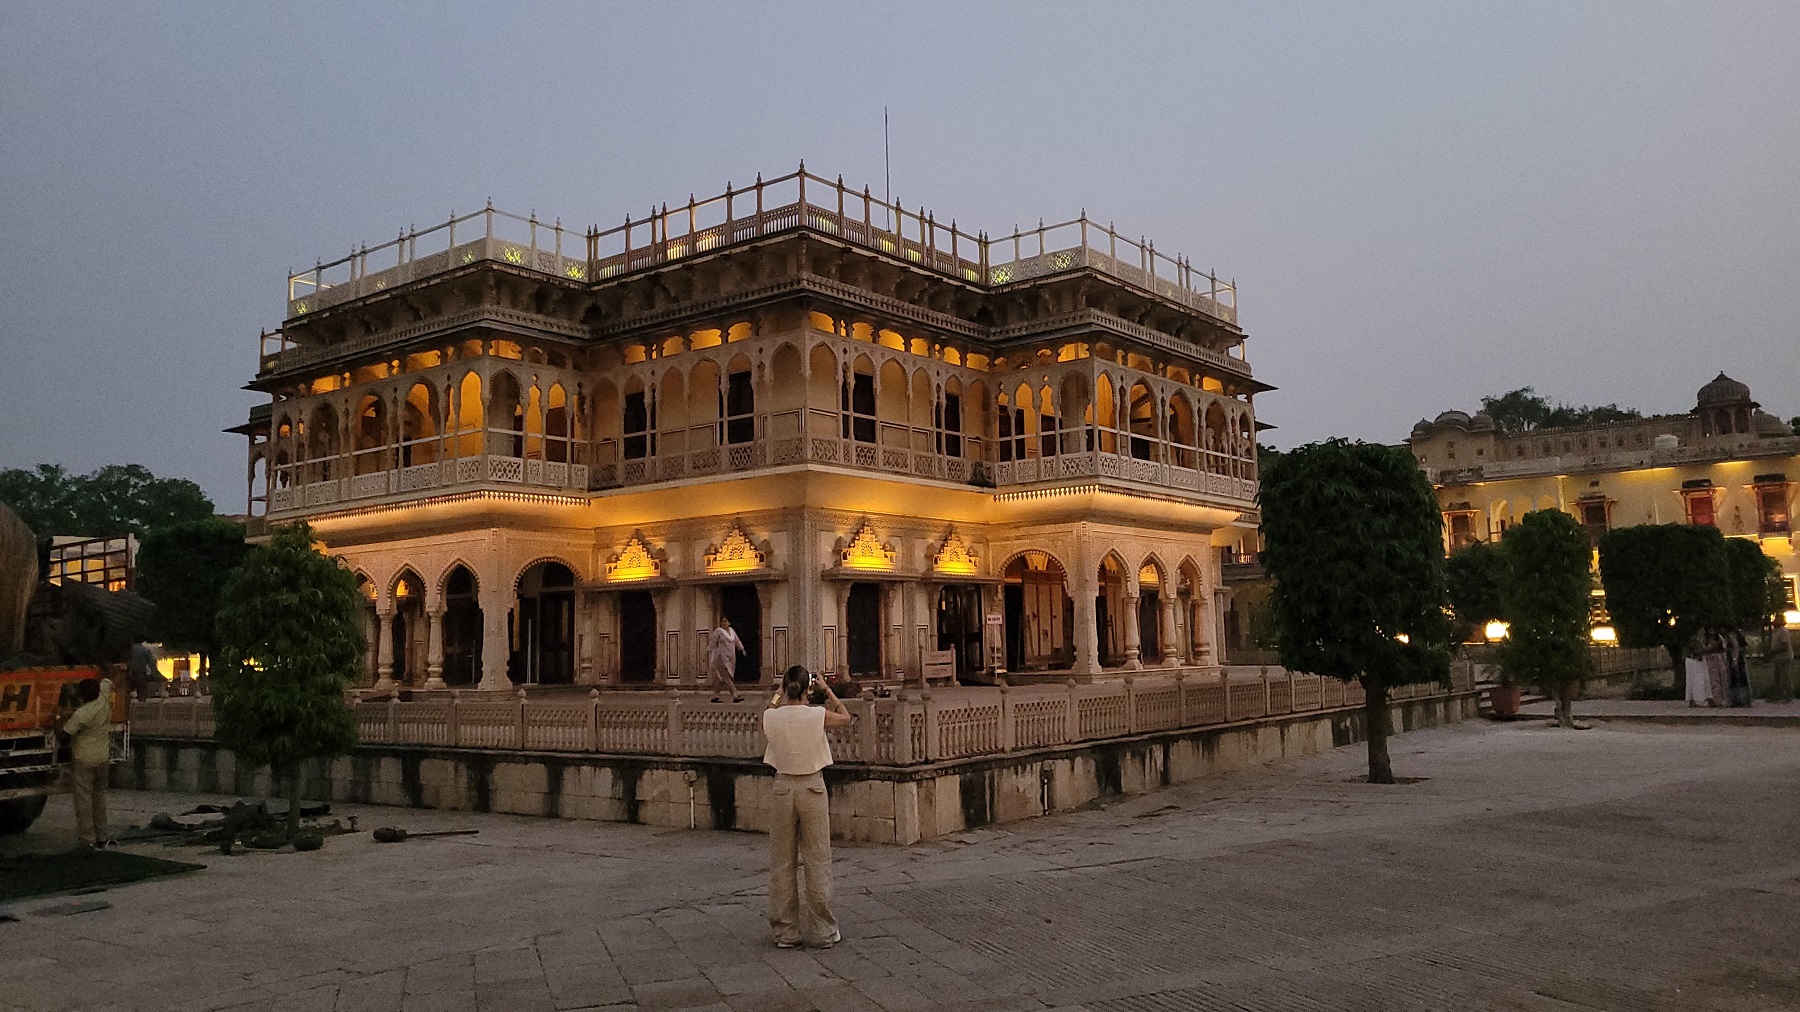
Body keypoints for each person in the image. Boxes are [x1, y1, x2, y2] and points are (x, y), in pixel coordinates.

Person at [762, 664, 850, 949]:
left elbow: (768, 712)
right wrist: (826, 689)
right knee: (817, 859)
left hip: (783, 787)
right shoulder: (816, 715)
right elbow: (845, 718)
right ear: (807, 689)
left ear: (785, 687)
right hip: (812, 787)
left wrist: (777, 695)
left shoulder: (771, 717)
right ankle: (823, 930)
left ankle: (786, 931)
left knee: (782, 861)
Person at [62, 676, 115, 848]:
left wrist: (58, 718)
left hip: (84, 759)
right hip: (103, 758)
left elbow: (64, 734)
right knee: (99, 796)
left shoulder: (82, 714)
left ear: (81, 697)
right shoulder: (104, 699)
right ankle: (102, 836)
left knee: (83, 799)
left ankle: (88, 839)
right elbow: (107, 679)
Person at [707, 615, 746, 703]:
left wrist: (742, 649)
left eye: (725, 621)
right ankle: (735, 695)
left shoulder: (732, 632)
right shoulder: (718, 632)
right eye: (722, 621)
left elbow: (737, 641)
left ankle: (715, 696)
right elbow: (713, 642)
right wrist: (709, 651)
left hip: (731, 657)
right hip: (721, 657)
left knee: (723, 679)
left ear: (729, 623)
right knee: (727, 677)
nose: (724, 623)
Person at [127, 634, 159, 701]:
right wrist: (154, 672)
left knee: (126, 694)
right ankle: (141, 708)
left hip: (129, 674)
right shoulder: (145, 650)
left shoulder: (129, 650)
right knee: (142, 694)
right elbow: (151, 663)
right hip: (141, 674)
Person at [1703, 631, 1728, 708]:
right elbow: (1704, 649)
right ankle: (1716, 700)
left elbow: (1724, 648)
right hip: (1710, 659)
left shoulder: (1719, 637)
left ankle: (1725, 699)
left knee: (1723, 679)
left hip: (1719, 658)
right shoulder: (1705, 639)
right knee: (1714, 680)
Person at [1683, 634, 1710, 708]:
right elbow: (1699, 650)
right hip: (1695, 659)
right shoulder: (1696, 640)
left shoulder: (1691, 639)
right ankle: (1699, 699)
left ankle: (1691, 699)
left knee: (1690, 680)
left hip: (1690, 659)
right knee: (1698, 679)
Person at [1771, 624, 1795, 702]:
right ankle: (1777, 695)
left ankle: (1788, 696)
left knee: (1785, 677)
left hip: (1785, 657)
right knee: (1776, 677)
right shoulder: (1776, 631)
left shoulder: (1784, 631)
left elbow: (1785, 645)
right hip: (1778, 657)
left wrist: (1776, 650)